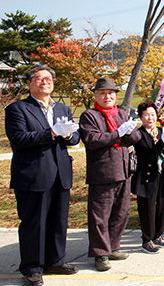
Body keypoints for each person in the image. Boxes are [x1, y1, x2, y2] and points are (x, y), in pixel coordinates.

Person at [5, 64, 80, 286]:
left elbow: (75, 138)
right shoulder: (17, 109)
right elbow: (19, 139)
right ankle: (32, 267)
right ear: (29, 83)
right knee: (34, 223)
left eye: (49, 78)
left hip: (60, 173)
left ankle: (55, 261)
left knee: (59, 221)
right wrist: (52, 132)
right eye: (39, 78)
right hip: (33, 174)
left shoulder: (62, 109)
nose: (45, 81)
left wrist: (67, 136)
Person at [79, 78, 142, 271]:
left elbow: (136, 138)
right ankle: (100, 253)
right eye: (103, 93)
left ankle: (113, 246)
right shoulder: (90, 115)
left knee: (121, 213)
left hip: (123, 171)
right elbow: (92, 139)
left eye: (111, 93)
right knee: (100, 216)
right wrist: (118, 134)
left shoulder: (121, 114)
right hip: (103, 172)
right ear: (96, 95)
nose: (108, 96)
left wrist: (129, 131)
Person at [131, 101, 164, 253]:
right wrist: (162, 143)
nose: (150, 118)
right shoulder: (139, 134)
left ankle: (158, 235)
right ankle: (147, 239)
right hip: (147, 175)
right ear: (141, 117)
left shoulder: (160, 130)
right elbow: (148, 155)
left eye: (152, 114)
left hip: (162, 173)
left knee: (163, 206)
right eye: (146, 115)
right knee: (147, 208)